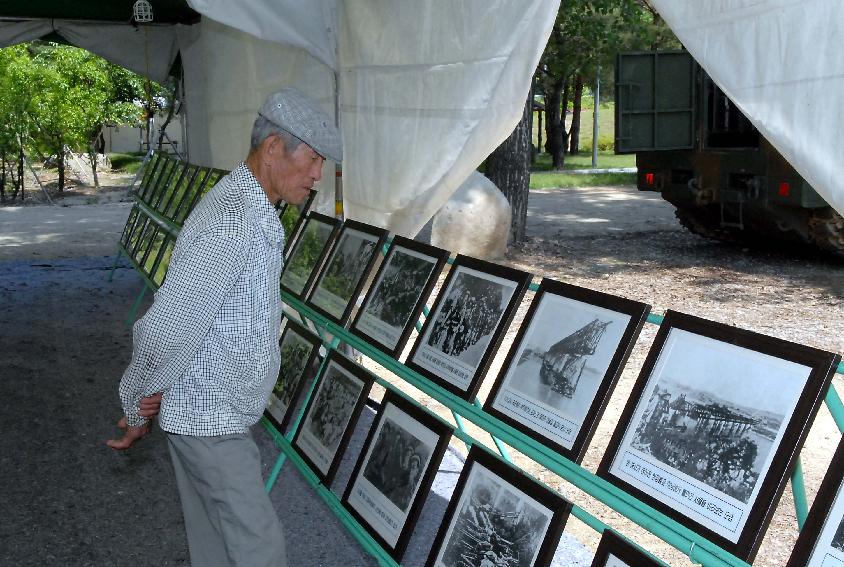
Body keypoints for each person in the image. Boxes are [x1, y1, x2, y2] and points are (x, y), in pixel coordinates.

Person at [106, 87, 342, 567]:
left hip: (211, 412)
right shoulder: (233, 220)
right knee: (260, 549)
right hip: (210, 420)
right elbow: (168, 326)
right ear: (273, 149)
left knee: (216, 547)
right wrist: (136, 399)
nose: (318, 175)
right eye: (314, 159)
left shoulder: (250, 209)